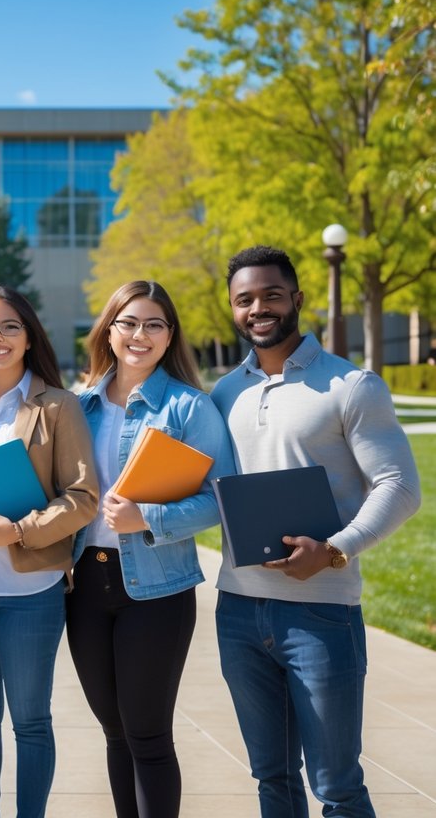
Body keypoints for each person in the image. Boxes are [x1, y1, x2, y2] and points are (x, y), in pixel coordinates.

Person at [210, 246, 420, 817]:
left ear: (297, 299)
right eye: (244, 299)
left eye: (271, 295)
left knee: (337, 785)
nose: (259, 308)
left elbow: (400, 487)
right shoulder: (224, 394)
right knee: (272, 779)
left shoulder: (352, 386)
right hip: (237, 611)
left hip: (320, 614)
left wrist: (333, 551)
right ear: (232, 309)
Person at [70, 281, 235, 818]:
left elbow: (222, 500)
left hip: (156, 589)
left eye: (154, 325)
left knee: (147, 734)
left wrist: (151, 518)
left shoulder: (190, 407)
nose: (140, 335)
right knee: (114, 731)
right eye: (129, 323)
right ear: (109, 330)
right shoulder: (79, 405)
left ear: (170, 337)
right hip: (83, 587)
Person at [0, 285, 99, 818]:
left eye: (9, 327)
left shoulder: (57, 405)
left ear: (29, 337)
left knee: (30, 719)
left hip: (31, 588)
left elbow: (82, 497)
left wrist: (22, 530)